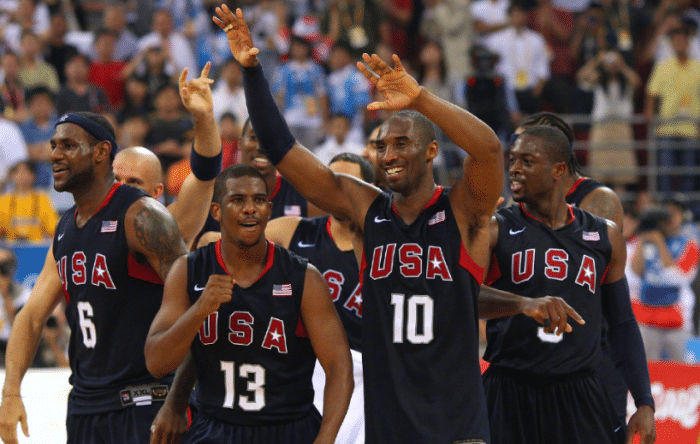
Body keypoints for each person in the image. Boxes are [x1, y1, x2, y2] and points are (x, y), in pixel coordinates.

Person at [213, 6, 577, 442]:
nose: (388, 155)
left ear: (431, 151)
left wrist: (421, 99)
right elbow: (282, 149)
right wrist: (252, 70)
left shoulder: (462, 210)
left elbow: (487, 151)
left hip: (456, 424)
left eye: (402, 144)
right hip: (389, 424)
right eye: (383, 146)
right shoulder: (366, 207)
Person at [0, 111, 189, 444]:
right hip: (85, 405)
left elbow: (195, 308)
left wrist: (179, 401)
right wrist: (11, 392)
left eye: (69, 146)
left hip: (144, 400)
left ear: (102, 152)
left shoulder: (141, 215)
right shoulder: (65, 227)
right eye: (54, 145)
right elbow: (30, 317)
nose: (55, 154)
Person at [144, 164, 353, 444]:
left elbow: (339, 368)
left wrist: (326, 438)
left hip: (289, 428)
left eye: (259, 200)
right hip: (216, 428)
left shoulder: (304, 277)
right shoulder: (188, 270)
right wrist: (200, 309)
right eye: (237, 200)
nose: (250, 209)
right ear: (216, 211)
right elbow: (157, 363)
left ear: (269, 209)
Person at [482, 125, 656, 444]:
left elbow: (622, 323)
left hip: (580, 390)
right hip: (510, 388)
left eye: (527, 161)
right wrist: (522, 304)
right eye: (512, 160)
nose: (515, 169)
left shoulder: (605, 235)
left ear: (558, 170)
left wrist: (644, 401)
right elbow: (461, 295)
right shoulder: (495, 228)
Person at [511, 111, 629, 426]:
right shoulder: (520, 205)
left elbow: (569, 277)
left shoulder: (599, 201)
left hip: (592, 351)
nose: (516, 164)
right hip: (534, 356)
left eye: (527, 152)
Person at [114, 62, 223, 249]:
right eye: (116, 179)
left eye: (133, 182)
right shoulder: (83, 223)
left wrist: (204, 118)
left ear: (156, 192)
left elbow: (205, 174)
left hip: (178, 169)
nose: (122, 187)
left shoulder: (165, 229)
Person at [630, 198, 699, 362]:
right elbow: (635, 272)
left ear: (682, 216)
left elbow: (679, 277)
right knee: (647, 369)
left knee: (681, 371)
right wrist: (643, 238)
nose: (669, 219)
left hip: (677, 320)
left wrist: (659, 242)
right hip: (646, 318)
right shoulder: (646, 240)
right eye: (665, 214)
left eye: (674, 214)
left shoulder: (689, 244)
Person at [0, 160, 58, 242]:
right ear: (12, 176)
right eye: (18, 172)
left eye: (26, 172)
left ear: (33, 176)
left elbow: (52, 228)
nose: (22, 176)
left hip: (36, 245)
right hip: (10, 246)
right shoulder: (4, 200)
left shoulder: (42, 198)